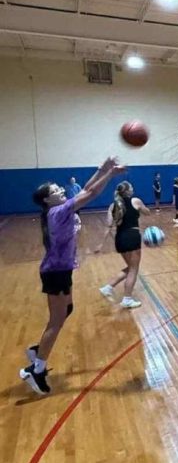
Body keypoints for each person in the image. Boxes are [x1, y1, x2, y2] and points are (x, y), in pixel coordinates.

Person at [22, 156, 125, 395]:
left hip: (61, 270)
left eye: (59, 188)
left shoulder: (58, 209)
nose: (60, 190)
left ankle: (39, 351)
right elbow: (91, 193)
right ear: (47, 199)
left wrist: (102, 168)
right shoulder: (58, 212)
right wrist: (110, 174)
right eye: (55, 190)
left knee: (67, 310)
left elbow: (85, 189)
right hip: (55, 272)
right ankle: (36, 370)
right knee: (56, 321)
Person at [99, 182, 150, 309]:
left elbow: (108, 226)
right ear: (127, 191)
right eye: (131, 187)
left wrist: (101, 244)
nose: (133, 189)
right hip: (132, 236)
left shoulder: (112, 206)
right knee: (134, 269)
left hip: (119, 239)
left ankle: (108, 287)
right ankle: (127, 299)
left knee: (131, 267)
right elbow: (147, 212)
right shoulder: (136, 201)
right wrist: (143, 208)